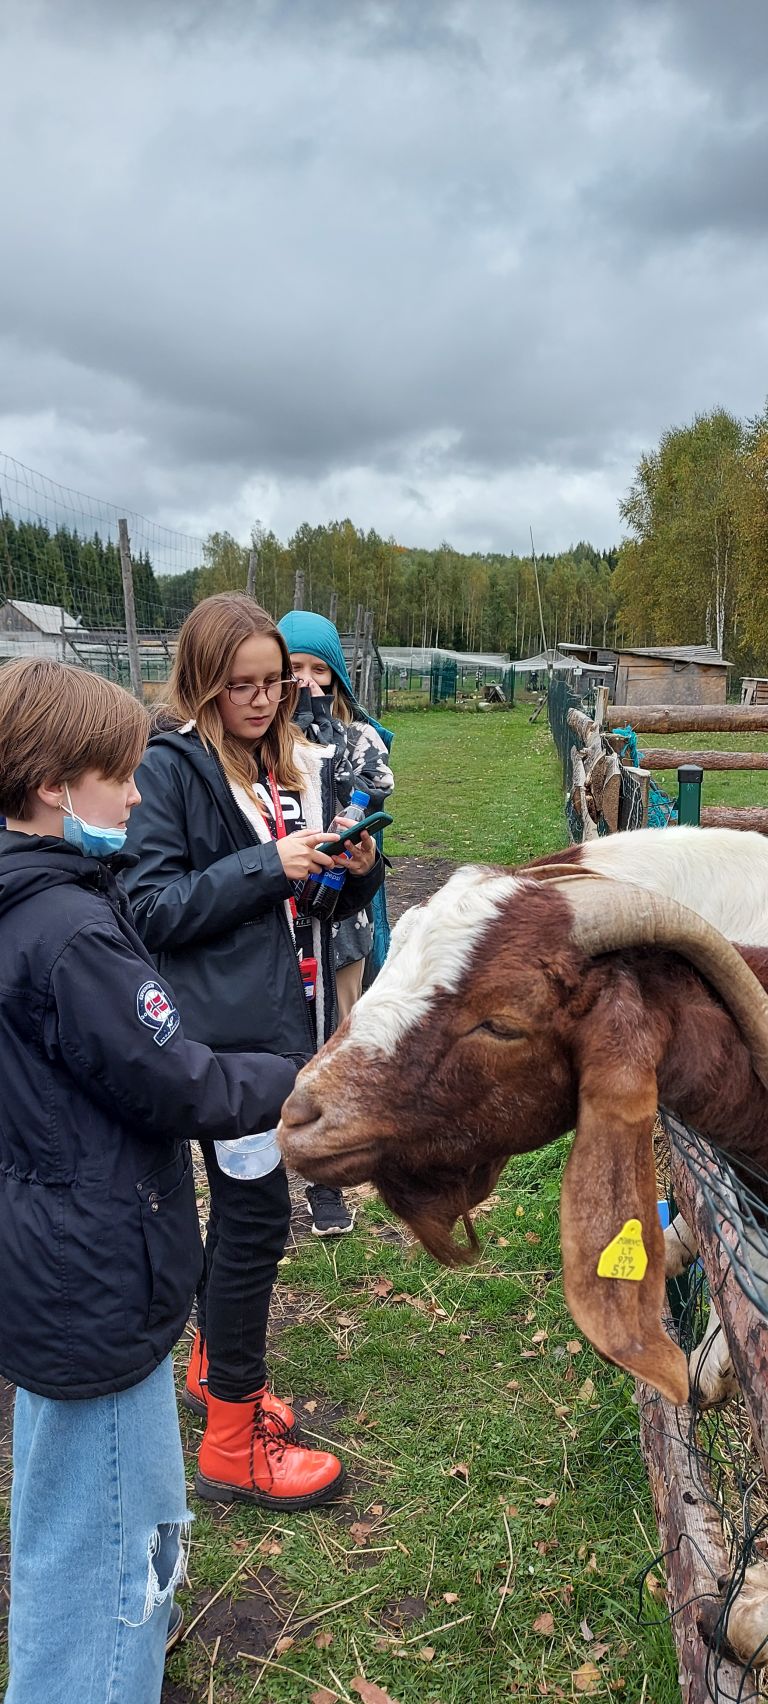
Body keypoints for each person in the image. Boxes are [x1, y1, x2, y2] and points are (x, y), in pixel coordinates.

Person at [0, 658, 300, 1704]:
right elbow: (178, 1077)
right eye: (117, 776)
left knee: (70, 1515)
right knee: (119, 1543)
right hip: (98, 1274)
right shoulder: (71, 933)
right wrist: (306, 1080)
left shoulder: (28, 899)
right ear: (53, 787)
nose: (136, 794)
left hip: (49, 1256)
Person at [123, 593, 383, 1509]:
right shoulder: (171, 769)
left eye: (275, 683)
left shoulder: (277, 762)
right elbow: (150, 906)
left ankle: (209, 1368)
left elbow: (295, 914)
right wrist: (271, 863)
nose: (266, 699)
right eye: (242, 685)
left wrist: (351, 875)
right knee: (257, 1223)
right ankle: (233, 1440)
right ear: (201, 683)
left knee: (245, 1220)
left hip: (281, 1026)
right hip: (222, 1042)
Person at [277, 610, 394, 1237]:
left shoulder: (356, 739)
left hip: (339, 924)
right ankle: (270, 1160)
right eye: (291, 670)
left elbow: (367, 802)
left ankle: (327, 1180)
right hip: (273, 924)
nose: (305, 684)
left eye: (317, 670)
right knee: (279, 1044)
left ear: (337, 677)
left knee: (334, 1043)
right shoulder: (257, 749)